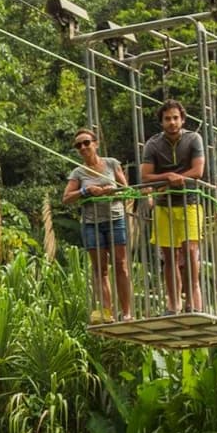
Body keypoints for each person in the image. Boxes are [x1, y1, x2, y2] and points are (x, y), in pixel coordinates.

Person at [139, 99, 206, 313]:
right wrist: (168, 177)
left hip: (189, 202)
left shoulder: (193, 139)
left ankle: (193, 299)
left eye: (176, 118)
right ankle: (173, 301)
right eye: (167, 119)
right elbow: (145, 175)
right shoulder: (153, 144)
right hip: (163, 205)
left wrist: (177, 178)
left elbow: (198, 171)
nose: (172, 122)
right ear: (161, 122)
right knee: (168, 256)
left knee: (190, 251)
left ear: (183, 119)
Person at [63, 127, 134, 320]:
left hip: (115, 218)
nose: (83, 147)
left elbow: (127, 190)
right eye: (79, 145)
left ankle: (126, 312)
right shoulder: (77, 172)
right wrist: (85, 192)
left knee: (121, 264)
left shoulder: (111, 164)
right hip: (92, 223)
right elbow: (66, 198)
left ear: (95, 144)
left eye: (86, 143)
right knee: (100, 269)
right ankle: (106, 312)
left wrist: (112, 190)